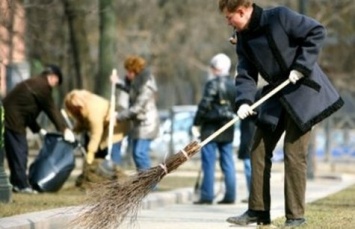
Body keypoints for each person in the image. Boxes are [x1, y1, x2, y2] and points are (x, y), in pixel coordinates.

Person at [218, 0, 344, 227]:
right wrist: (244, 101)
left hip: (303, 90)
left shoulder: (280, 17)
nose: (228, 22)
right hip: (277, 94)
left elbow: (317, 31)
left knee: (293, 153)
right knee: (257, 149)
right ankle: (258, 211)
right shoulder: (242, 38)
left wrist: (301, 65)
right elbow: (246, 73)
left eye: (229, 17)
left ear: (242, 11)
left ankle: (295, 216)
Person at [3, 64, 76, 194]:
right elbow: (51, 109)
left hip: (9, 118)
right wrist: (64, 129)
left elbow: (27, 110)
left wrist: (38, 129)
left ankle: (16, 183)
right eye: (56, 82)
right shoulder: (42, 87)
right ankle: (21, 185)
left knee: (15, 153)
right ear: (53, 77)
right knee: (20, 151)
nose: (54, 86)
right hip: (12, 120)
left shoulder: (35, 83)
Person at [192, 53, 237, 205]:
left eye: (212, 67)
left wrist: (196, 122)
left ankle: (207, 195)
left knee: (208, 162)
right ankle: (230, 195)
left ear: (216, 68)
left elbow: (204, 104)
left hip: (210, 128)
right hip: (228, 126)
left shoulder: (212, 84)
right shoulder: (233, 84)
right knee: (228, 162)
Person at [111, 55, 160, 171]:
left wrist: (118, 117)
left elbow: (138, 107)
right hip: (140, 123)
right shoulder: (137, 82)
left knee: (140, 153)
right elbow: (131, 91)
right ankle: (144, 182)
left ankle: (148, 184)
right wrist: (118, 83)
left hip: (147, 124)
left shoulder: (146, 85)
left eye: (128, 71)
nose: (127, 74)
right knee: (136, 153)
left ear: (135, 71)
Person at [63, 89, 130, 165]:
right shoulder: (85, 106)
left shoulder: (93, 110)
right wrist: (73, 131)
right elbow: (82, 122)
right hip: (105, 126)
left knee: (111, 150)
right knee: (101, 150)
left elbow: (96, 133)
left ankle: (116, 173)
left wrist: (91, 151)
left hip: (115, 125)